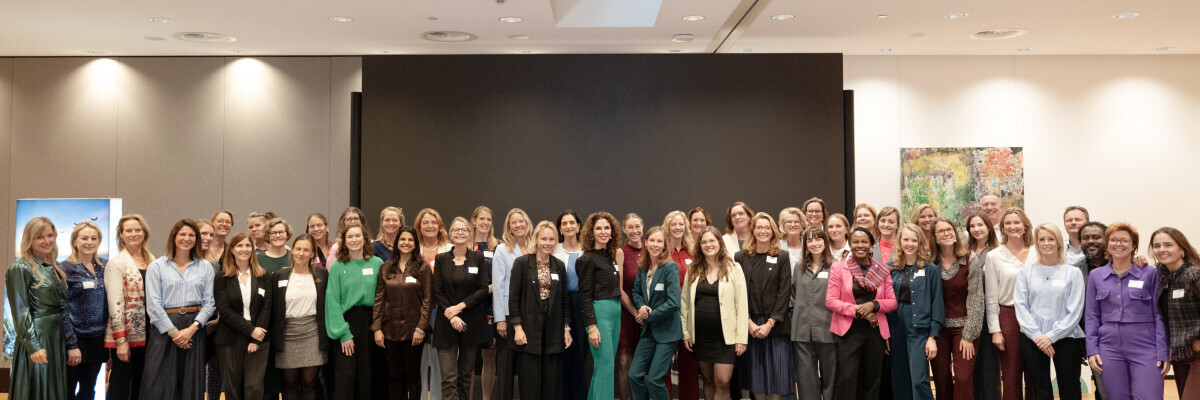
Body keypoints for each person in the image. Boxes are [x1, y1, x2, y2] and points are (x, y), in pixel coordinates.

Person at [1085, 223, 1168, 400]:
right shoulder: (1096, 276)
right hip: (1109, 347)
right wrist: (1092, 349)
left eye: (1124, 240)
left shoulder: (1150, 273)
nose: (1118, 244)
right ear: (1107, 244)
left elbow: (1159, 314)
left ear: (1133, 245)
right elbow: (1091, 316)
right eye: (1113, 240)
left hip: (1146, 346)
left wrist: (1163, 351)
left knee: (1149, 396)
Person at [141, 219, 217, 400]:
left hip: (194, 328)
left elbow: (210, 303)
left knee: (191, 382)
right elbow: (153, 304)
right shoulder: (157, 266)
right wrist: (174, 333)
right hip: (164, 328)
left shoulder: (205, 266)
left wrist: (192, 329)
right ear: (174, 237)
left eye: (191, 235)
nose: (187, 238)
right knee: (158, 383)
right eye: (182, 234)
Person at [1013, 224, 1085, 400]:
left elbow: (1075, 311)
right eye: (1042, 239)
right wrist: (1038, 336)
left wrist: (1052, 336)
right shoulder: (1026, 272)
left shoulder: (1073, 272)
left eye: (1051, 239)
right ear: (1037, 243)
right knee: (1040, 390)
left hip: (1067, 337)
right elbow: (1021, 306)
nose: (1046, 243)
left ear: (1058, 242)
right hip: (1034, 338)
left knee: (1069, 388)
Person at [826, 227, 896, 400]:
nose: (860, 245)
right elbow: (831, 301)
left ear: (871, 245)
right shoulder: (838, 268)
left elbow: (892, 302)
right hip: (849, 332)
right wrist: (858, 311)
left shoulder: (883, 270)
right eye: (855, 241)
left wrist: (874, 305)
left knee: (873, 380)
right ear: (850, 244)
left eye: (864, 241)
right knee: (847, 379)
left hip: (875, 332)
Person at [682, 226, 748, 400]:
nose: (708, 245)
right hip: (700, 336)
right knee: (708, 380)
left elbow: (742, 305)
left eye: (712, 240)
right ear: (699, 245)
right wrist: (686, 332)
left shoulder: (734, 268)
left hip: (726, 337)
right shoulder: (693, 269)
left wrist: (741, 338)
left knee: (723, 381)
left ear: (719, 242)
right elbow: (685, 303)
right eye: (704, 242)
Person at [509, 221, 574, 400]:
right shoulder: (522, 263)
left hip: (553, 330)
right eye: (544, 239)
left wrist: (566, 328)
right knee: (530, 380)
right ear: (536, 239)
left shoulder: (559, 265)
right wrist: (517, 327)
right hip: (529, 328)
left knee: (552, 382)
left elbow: (564, 300)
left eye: (551, 239)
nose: (548, 243)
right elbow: (513, 299)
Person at [7, 217, 68, 400]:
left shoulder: (55, 267)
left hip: (56, 338)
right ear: (29, 240)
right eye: (40, 237)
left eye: (50, 235)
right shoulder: (20, 268)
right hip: (38, 338)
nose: (47, 240)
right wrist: (33, 346)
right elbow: (20, 312)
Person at [733, 213, 793, 400]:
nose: (763, 231)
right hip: (751, 326)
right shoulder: (740, 257)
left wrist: (771, 322)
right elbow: (737, 292)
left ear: (773, 231)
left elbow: (784, 292)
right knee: (756, 380)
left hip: (775, 326)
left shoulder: (782, 256)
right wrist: (747, 322)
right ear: (753, 230)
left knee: (776, 380)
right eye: (759, 227)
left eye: (767, 228)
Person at [432, 217, 491, 400]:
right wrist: (451, 315)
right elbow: (437, 290)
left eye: (463, 230)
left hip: (471, 321)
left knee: (465, 376)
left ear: (469, 233)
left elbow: (483, 289)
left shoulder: (477, 258)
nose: (460, 233)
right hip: (446, 322)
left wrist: (459, 307)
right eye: (456, 230)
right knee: (448, 378)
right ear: (450, 234)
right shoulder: (441, 259)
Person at [325, 222, 384, 400]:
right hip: (346, 324)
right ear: (344, 241)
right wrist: (343, 333)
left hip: (371, 324)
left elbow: (382, 297)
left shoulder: (377, 263)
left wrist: (378, 326)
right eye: (349, 237)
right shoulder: (337, 266)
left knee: (367, 374)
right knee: (346, 375)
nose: (354, 240)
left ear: (365, 239)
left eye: (358, 236)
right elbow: (332, 300)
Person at [372, 226, 430, 400]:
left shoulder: (423, 267)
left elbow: (428, 300)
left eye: (410, 240)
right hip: (389, 331)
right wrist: (377, 328)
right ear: (397, 243)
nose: (406, 243)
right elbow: (379, 298)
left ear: (415, 244)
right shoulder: (386, 267)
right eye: (403, 239)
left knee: (413, 376)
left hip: (414, 332)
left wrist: (420, 328)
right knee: (394, 376)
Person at [983, 208, 1036, 400]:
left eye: (1017, 222)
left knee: (1035, 371)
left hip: (1036, 316)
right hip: (1008, 316)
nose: (1013, 227)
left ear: (1025, 226)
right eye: (1008, 223)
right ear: (1002, 228)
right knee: (1011, 371)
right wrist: (995, 330)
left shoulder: (1038, 252)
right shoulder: (994, 256)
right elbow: (991, 297)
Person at [886, 224, 943, 400]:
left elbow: (937, 303)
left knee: (919, 379)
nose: (909, 244)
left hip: (919, 327)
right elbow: (885, 299)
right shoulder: (890, 268)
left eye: (914, 240)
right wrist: (885, 333)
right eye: (906, 239)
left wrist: (932, 337)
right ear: (899, 241)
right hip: (895, 325)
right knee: (899, 377)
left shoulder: (931, 269)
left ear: (920, 242)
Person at [928, 218, 983, 400]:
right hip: (938, 329)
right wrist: (931, 333)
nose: (946, 233)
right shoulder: (929, 262)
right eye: (941, 231)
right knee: (941, 379)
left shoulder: (970, 259)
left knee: (963, 377)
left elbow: (976, 298)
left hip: (964, 328)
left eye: (949, 229)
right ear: (935, 237)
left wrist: (968, 335)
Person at [214, 232, 273, 400]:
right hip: (229, 339)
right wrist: (250, 331)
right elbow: (225, 311)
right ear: (232, 250)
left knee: (254, 387)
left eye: (248, 245)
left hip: (259, 338)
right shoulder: (222, 278)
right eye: (239, 245)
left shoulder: (264, 276)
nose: (244, 249)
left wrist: (256, 338)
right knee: (233, 388)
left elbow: (267, 308)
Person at [272, 234, 329, 400]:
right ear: (292, 250)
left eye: (306, 250)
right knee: (289, 382)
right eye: (298, 249)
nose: (301, 253)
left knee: (310, 382)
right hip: (287, 334)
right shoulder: (280, 275)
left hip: (313, 333)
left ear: (312, 254)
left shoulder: (321, 274)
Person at [628, 227, 682, 400]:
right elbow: (636, 292)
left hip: (667, 331)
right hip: (649, 331)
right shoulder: (643, 267)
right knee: (634, 375)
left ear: (665, 245)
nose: (655, 244)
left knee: (654, 379)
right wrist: (641, 306)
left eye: (659, 241)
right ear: (645, 242)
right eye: (652, 240)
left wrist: (648, 316)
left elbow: (674, 302)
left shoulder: (670, 267)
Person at [104, 214, 154, 400]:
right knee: (121, 385)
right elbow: (115, 303)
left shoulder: (152, 260)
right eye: (129, 230)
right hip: (128, 334)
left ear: (144, 233)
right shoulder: (116, 263)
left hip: (150, 331)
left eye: (138, 230)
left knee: (143, 383)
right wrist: (121, 341)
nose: (134, 234)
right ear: (121, 235)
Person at [579, 211, 624, 400]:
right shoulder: (586, 259)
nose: (603, 231)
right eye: (598, 228)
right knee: (605, 366)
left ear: (612, 232)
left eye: (607, 228)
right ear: (591, 232)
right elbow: (585, 296)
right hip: (600, 315)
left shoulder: (610, 256)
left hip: (615, 313)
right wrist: (592, 326)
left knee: (604, 367)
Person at [61, 222, 109, 400]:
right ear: (74, 241)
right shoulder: (64, 269)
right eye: (84, 238)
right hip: (75, 339)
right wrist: (71, 345)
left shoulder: (105, 266)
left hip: (97, 339)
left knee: (89, 390)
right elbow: (62, 309)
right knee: (67, 390)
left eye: (94, 238)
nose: (89, 242)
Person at [1151, 227, 1200, 398]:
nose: (1162, 249)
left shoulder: (1194, 274)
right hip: (1179, 353)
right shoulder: (1162, 274)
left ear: (1182, 249)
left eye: (1168, 245)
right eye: (1156, 246)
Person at [492, 208, 534, 400]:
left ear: (527, 223)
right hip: (509, 314)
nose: (518, 225)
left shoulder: (536, 247)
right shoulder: (502, 249)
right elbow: (498, 285)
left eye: (521, 221)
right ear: (508, 227)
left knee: (528, 366)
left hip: (532, 313)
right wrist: (500, 319)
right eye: (513, 223)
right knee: (505, 367)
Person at [789, 228, 836, 400]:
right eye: (810, 240)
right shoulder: (798, 267)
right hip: (802, 331)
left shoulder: (836, 266)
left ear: (825, 242)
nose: (814, 244)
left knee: (831, 378)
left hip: (829, 330)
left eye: (818, 239)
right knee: (805, 379)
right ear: (805, 244)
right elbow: (792, 296)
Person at [661, 210, 700, 400]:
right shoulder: (661, 251)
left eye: (681, 224)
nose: (677, 227)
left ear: (686, 227)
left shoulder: (693, 251)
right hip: (667, 314)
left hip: (689, 314)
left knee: (689, 364)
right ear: (667, 228)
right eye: (673, 224)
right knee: (664, 365)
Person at [553, 210, 590, 400]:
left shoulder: (588, 250)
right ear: (559, 228)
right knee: (563, 354)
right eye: (564, 223)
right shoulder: (554, 250)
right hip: (559, 305)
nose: (568, 226)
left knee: (580, 354)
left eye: (572, 222)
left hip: (583, 305)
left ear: (579, 226)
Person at [414, 208, 450, 399]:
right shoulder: (412, 248)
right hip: (416, 311)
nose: (429, 226)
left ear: (440, 226)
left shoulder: (449, 249)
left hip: (440, 312)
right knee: (418, 358)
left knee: (438, 359)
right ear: (419, 226)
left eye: (433, 222)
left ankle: (436, 397)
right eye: (425, 222)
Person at [1072, 221, 1109, 400]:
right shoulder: (1074, 271)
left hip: (1118, 338)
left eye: (1096, 237)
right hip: (1089, 339)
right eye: (1085, 238)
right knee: (1102, 389)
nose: (1090, 241)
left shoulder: (1120, 266)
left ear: (1107, 239)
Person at [469, 206, 499, 400]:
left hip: (491, 305)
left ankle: (486, 398)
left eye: (489, 219)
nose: (485, 222)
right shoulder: (464, 244)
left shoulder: (499, 246)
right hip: (469, 305)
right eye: (481, 219)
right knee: (467, 358)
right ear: (473, 221)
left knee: (489, 356)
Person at [618, 213, 645, 400]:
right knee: (624, 362)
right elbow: (619, 290)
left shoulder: (653, 249)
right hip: (627, 314)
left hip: (648, 315)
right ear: (624, 229)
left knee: (644, 364)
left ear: (642, 227)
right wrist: (635, 313)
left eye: (637, 226)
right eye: (630, 227)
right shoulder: (620, 252)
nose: (634, 231)